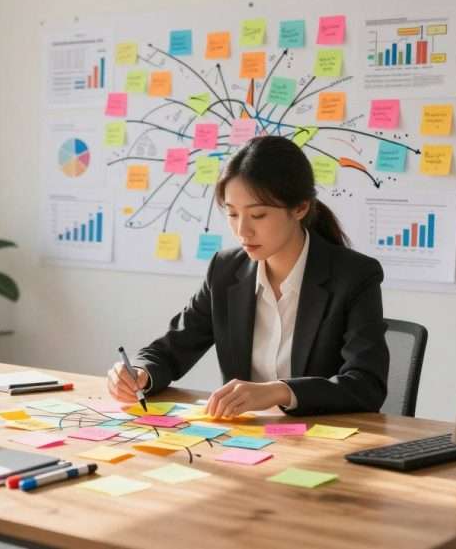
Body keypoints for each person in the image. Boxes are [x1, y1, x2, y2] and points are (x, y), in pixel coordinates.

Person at [107, 135, 389, 417]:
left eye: (258, 216)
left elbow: (365, 385)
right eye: (232, 214)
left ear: (300, 208)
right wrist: (140, 372)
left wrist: (280, 391)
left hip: (321, 442)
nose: (242, 231)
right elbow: (172, 348)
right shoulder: (226, 270)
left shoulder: (354, 276)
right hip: (246, 441)